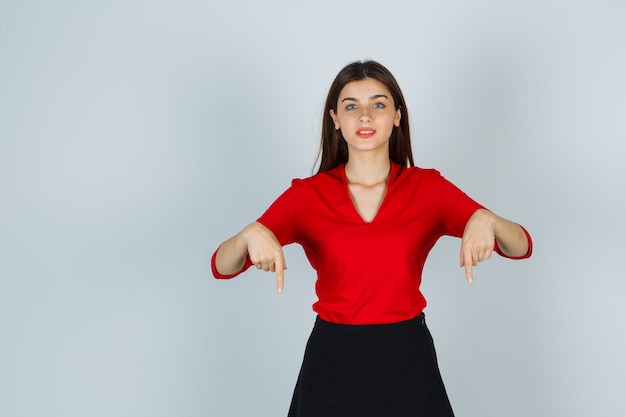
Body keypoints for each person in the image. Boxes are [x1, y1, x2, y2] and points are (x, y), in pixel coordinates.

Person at [211, 60, 532, 417]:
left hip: (407, 359)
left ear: (397, 116)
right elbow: (222, 265)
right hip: (331, 360)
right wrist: (248, 234)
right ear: (335, 119)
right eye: (352, 106)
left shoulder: (428, 189)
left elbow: (520, 245)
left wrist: (486, 219)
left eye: (378, 104)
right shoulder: (306, 196)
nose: (365, 115)